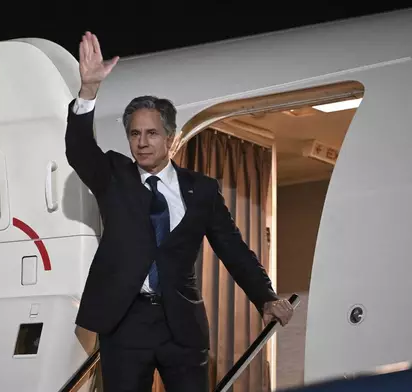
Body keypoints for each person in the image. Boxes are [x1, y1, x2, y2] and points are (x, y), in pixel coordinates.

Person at [65, 31, 294, 392]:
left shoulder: (201, 190)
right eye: (135, 134)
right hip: (125, 322)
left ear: (170, 137)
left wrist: (265, 296)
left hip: (182, 324)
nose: (141, 142)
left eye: (152, 133)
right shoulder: (114, 176)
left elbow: (232, 247)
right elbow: (78, 150)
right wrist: (88, 90)